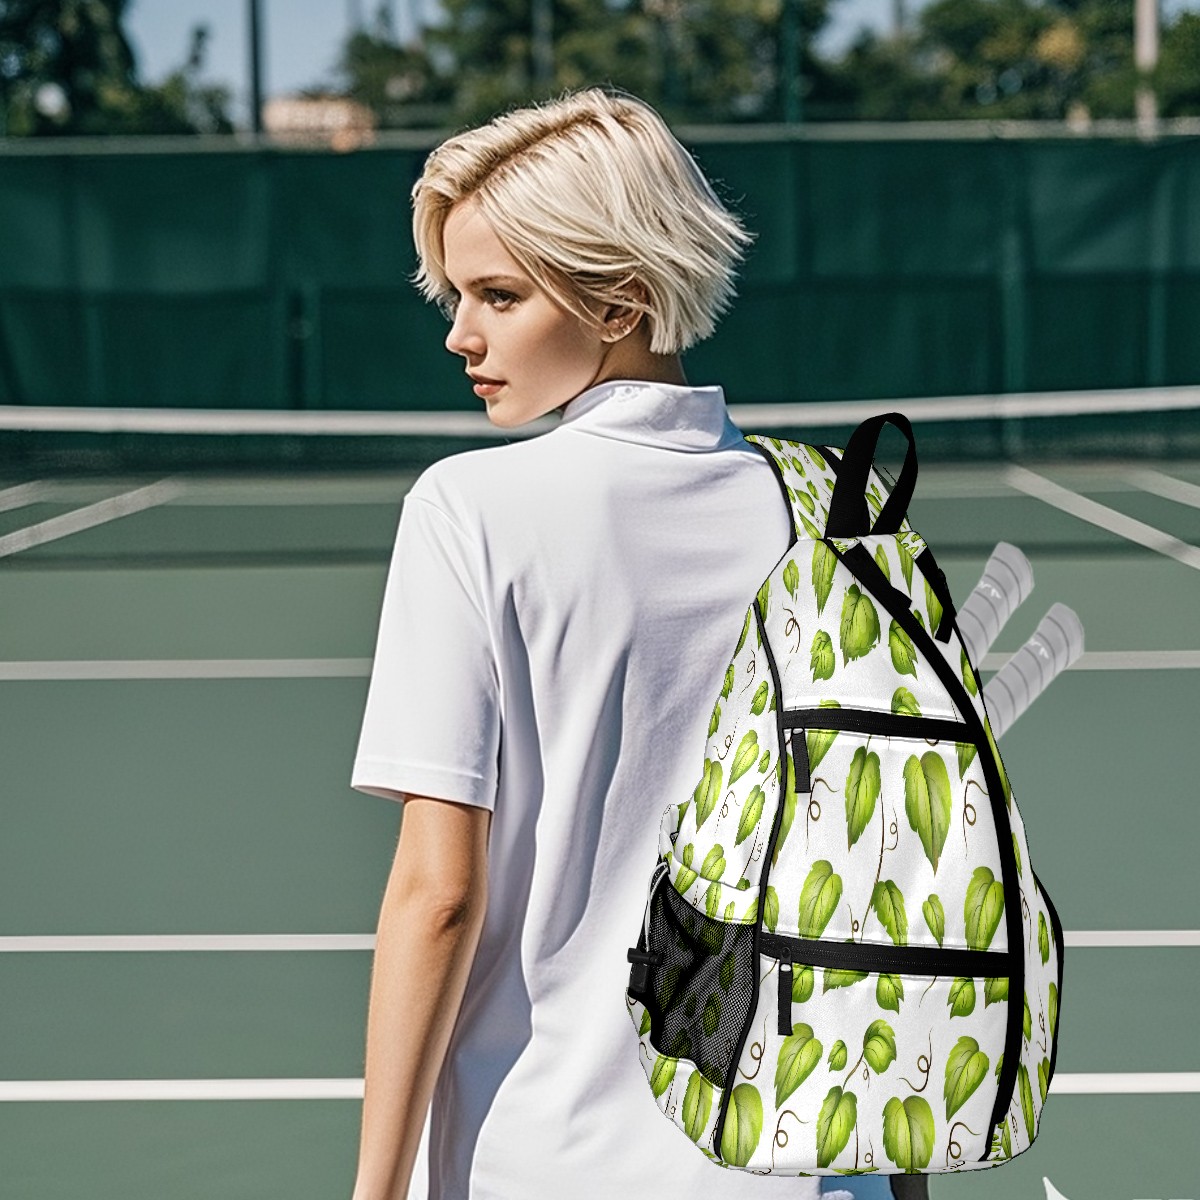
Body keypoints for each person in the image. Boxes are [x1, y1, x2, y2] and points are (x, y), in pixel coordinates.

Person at [347, 83, 930, 1200]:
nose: (459, 333)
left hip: (544, 1164)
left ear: (619, 301)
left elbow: (439, 896)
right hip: (811, 1164)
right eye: (456, 295)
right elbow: (884, 873)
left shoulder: (467, 511)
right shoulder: (836, 507)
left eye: (498, 295)